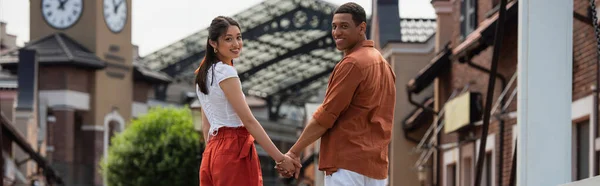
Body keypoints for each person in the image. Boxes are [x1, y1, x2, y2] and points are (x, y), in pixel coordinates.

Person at [276, 2, 396, 186]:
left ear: (362, 27)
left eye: (344, 26)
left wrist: (294, 152)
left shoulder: (352, 63)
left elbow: (326, 115)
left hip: (347, 163)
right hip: (376, 168)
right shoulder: (384, 65)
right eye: (334, 26)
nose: (337, 32)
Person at [196, 16, 302, 186]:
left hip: (211, 153)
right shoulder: (225, 72)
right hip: (234, 148)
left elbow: (206, 127)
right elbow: (249, 121)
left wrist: (216, 152)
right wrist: (280, 159)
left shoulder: (203, 74)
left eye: (239, 37)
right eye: (228, 39)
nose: (236, 44)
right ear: (213, 43)